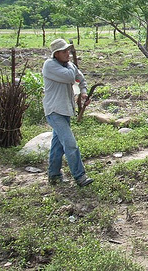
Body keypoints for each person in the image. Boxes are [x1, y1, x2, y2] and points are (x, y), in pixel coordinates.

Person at [42, 38, 93, 187]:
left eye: (68, 50)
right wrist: (73, 69)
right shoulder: (50, 65)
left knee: (57, 145)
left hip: (65, 110)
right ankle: (80, 176)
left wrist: (83, 93)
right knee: (70, 144)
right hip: (54, 110)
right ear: (56, 54)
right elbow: (71, 77)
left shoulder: (67, 65)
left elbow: (80, 80)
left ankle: (54, 175)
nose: (68, 53)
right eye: (64, 51)